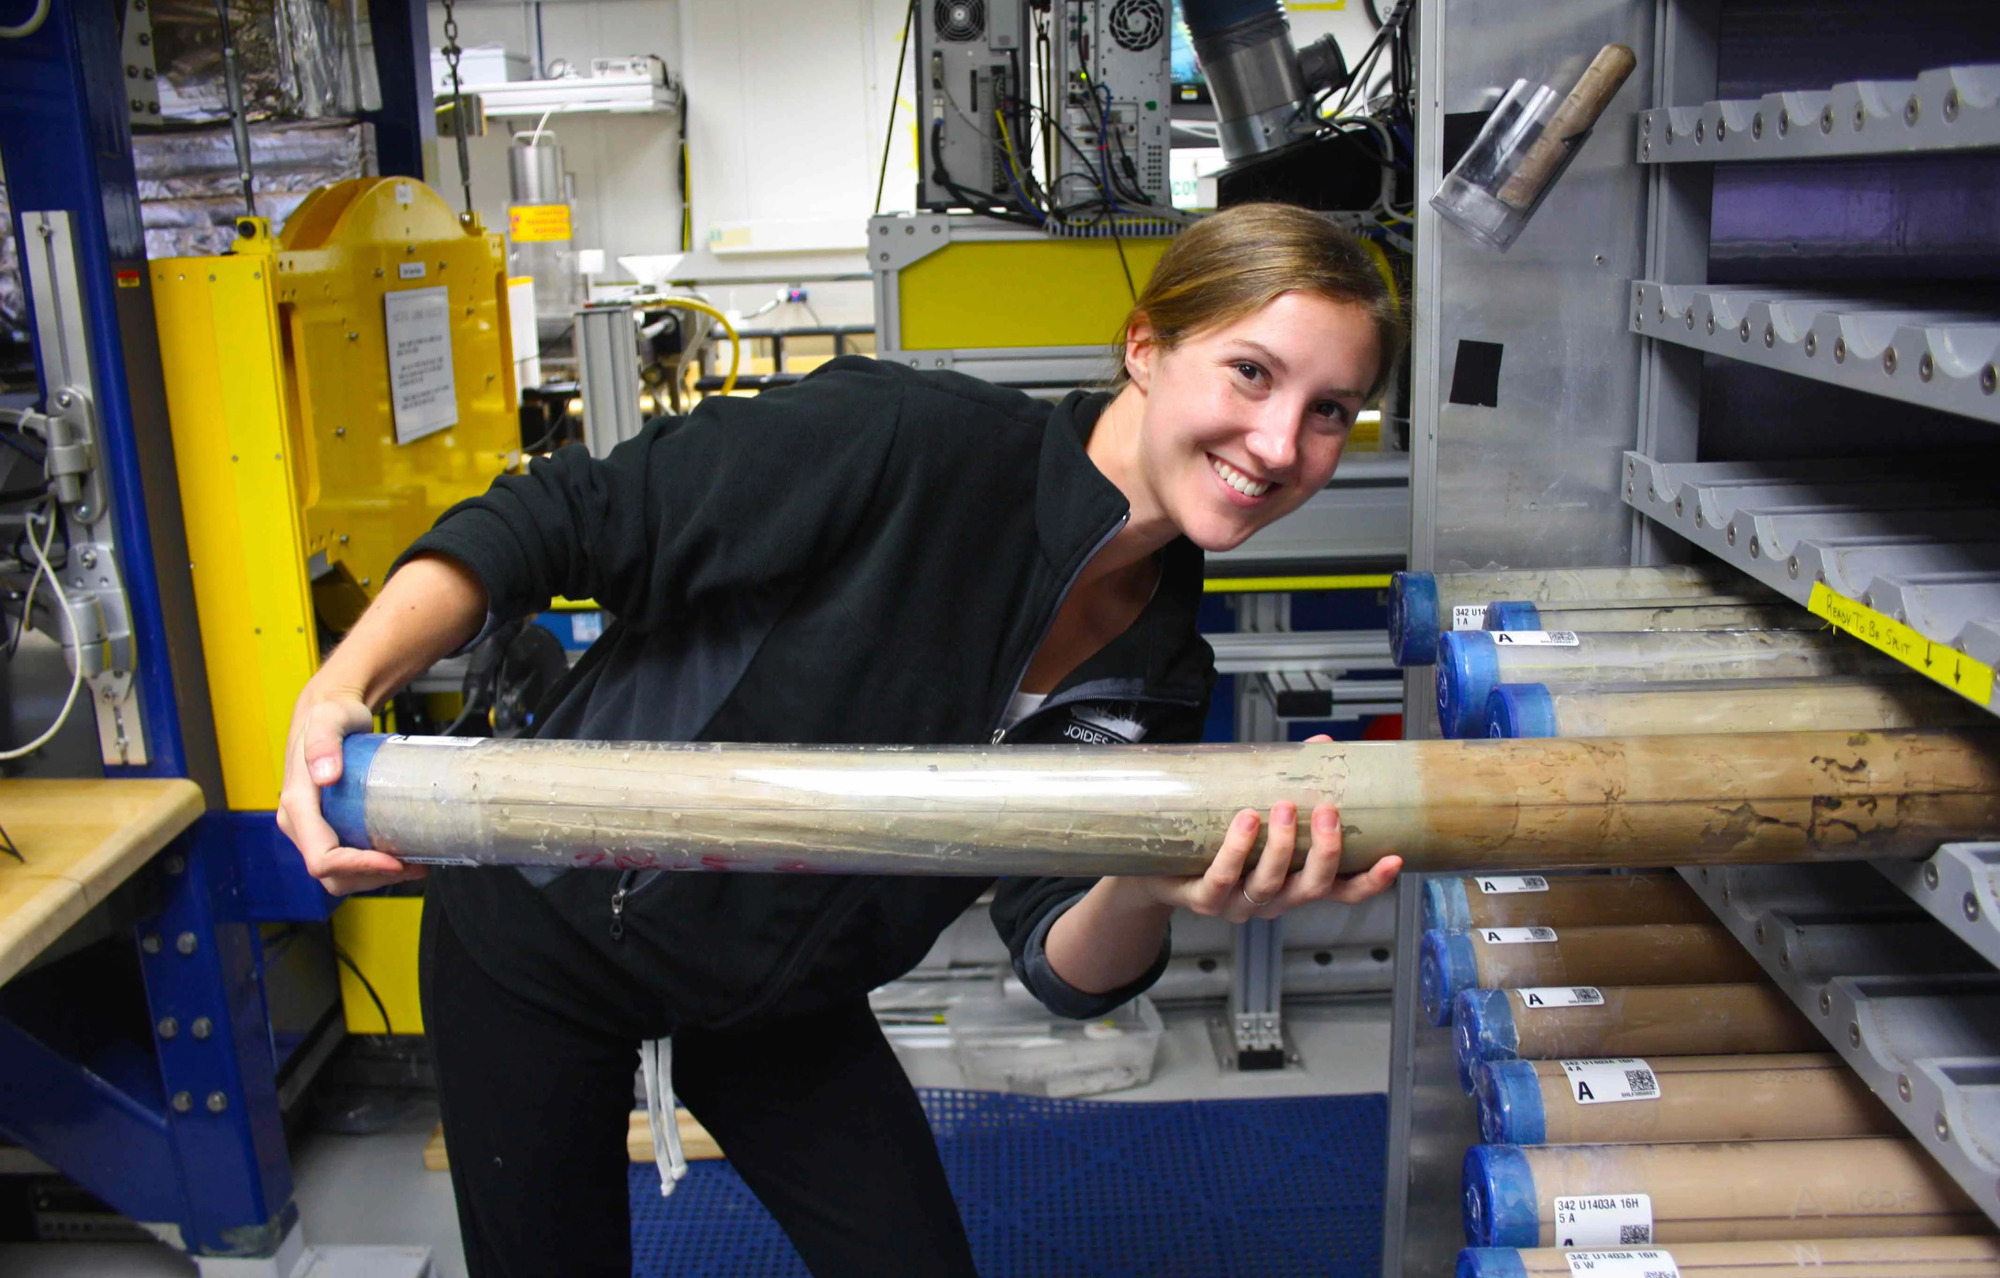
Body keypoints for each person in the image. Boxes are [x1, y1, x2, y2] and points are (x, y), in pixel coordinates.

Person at [276, 201, 1406, 1278]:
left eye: (1327, 410)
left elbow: (1059, 962)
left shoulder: (1159, 664)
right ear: (1145, 347)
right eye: (1250, 371)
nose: (1277, 441)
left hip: (780, 993)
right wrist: (345, 682)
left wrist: (1154, 887)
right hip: (549, 933)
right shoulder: (906, 444)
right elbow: (558, 519)